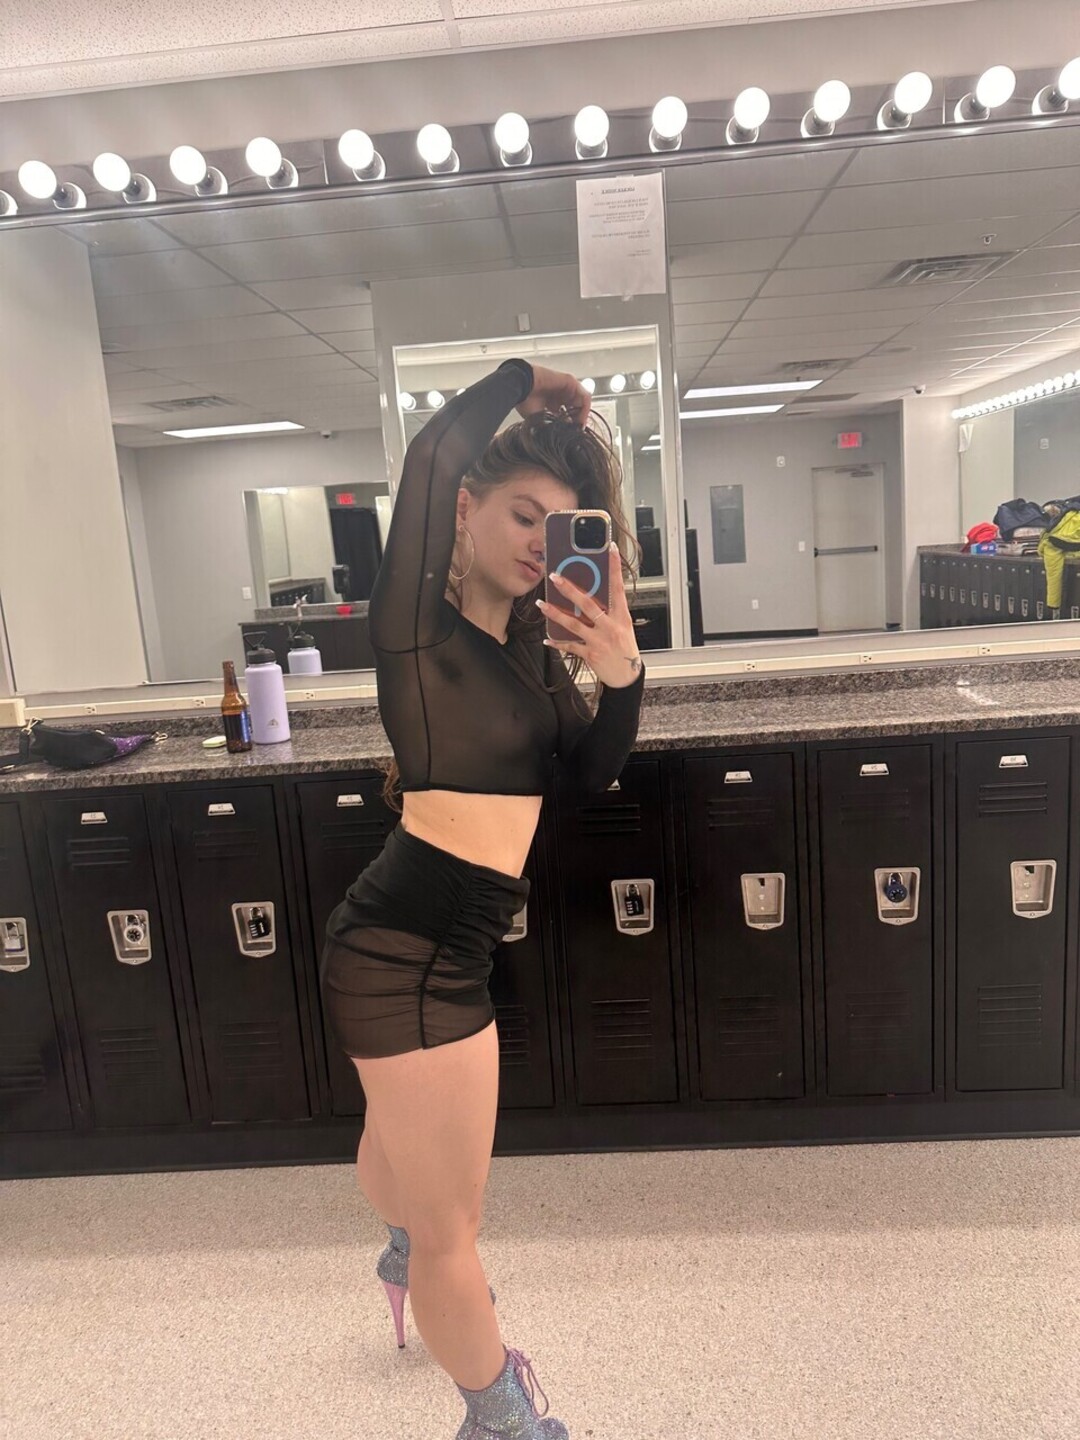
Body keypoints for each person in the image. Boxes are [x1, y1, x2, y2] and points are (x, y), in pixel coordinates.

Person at [319, 358, 646, 1438]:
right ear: (464, 510)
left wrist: (624, 677)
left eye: (560, 527)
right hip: (404, 953)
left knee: (420, 1189)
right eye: (521, 515)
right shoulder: (416, 632)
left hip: (442, 945)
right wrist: (523, 379)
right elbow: (429, 453)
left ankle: (404, 1249)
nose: (537, 542)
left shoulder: (531, 658)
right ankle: (502, 1421)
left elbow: (586, 776)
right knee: (456, 1231)